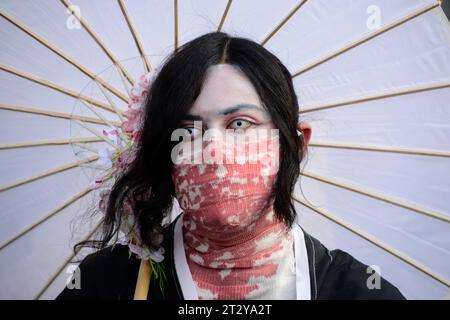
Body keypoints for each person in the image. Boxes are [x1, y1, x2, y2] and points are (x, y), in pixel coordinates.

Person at [56, 32, 405, 300]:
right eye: (187, 130)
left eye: (240, 124)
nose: (212, 149)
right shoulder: (106, 284)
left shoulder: (358, 292)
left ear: (295, 146)